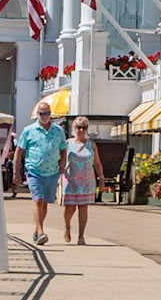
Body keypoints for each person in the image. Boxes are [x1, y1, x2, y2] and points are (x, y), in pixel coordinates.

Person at [13, 101, 67, 246]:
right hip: (34, 170)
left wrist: (62, 164)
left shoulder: (58, 131)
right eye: (42, 113)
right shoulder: (28, 130)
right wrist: (16, 171)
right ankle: (41, 231)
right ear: (37, 114)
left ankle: (37, 231)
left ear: (51, 114)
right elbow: (19, 151)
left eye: (47, 113)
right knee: (37, 200)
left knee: (44, 203)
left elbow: (63, 149)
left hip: (52, 172)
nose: (45, 116)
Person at [61, 116, 98, 246]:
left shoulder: (91, 145)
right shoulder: (67, 143)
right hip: (70, 179)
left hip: (86, 180)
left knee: (83, 208)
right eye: (78, 127)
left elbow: (97, 163)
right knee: (69, 208)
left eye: (84, 127)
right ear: (74, 128)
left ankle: (81, 236)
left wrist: (102, 178)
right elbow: (61, 160)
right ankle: (67, 226)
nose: (81, 129)